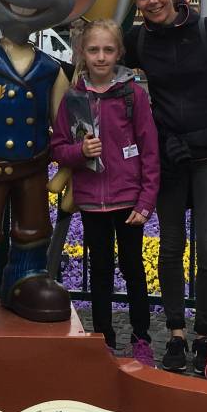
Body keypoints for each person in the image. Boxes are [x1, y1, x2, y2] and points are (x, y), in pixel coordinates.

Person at [123, 0, 207, 376]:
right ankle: (176, 332)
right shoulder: (138, 39)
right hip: (170, 156)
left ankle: (204, 332)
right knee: (171, 247)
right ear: (136, 3)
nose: (152, 1)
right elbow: (100, 56)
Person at [50, 20, 158, 365]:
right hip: (92, 201)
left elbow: (150, 150)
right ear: (82, 53)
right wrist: (80, 152)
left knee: (133, 269)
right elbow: (59, 148)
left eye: (108, 50)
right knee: (100, 271)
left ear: (119, 53)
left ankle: (141, 338)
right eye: (94, 50)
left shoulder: (132, 95)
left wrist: (146, 200)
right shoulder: (73, 98)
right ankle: (103, 338)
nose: (101, 57)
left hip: (127, 199)